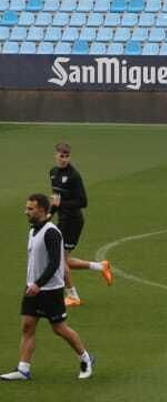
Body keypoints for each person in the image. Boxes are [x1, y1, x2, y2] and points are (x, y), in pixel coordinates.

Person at [0, 195, 92, 381]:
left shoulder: (51, 233)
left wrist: (38, 284)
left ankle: (86, 359)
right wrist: (32, 284)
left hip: (49, 290)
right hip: (32, 288)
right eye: (27, 208)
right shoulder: (34, 229)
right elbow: (46, 219)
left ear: (41, 210)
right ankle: (23, 369)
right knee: (27, 327)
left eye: (30, 209)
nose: (26, 212)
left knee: (59, 329)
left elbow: (54, 264)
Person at [46, 143, 112, 307]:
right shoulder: (53, 173)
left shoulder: (74, 176)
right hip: (62, 220)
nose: (64, 159)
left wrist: (60, 206)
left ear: (70, 157)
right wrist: (48, 216)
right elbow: (56, 200)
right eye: (61, 155)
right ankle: (101, 266)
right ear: (55, 155)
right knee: (63, 260)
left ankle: (73, 296)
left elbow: (83, 202)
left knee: (59, 260)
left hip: (73, 222)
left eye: (67, 156)